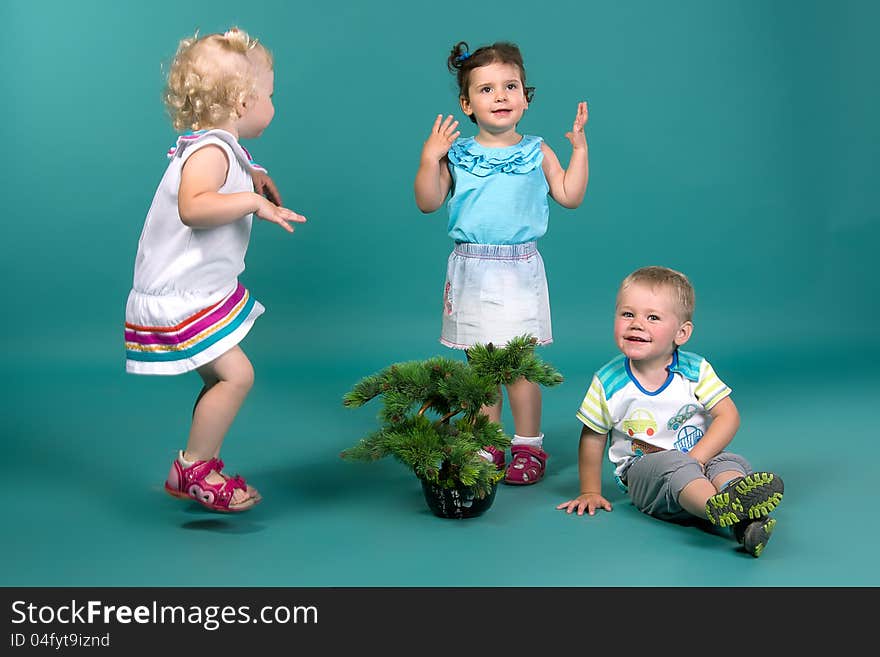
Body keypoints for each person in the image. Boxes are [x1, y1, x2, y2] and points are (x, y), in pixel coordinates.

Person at [123, 27, 306, 513]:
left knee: (220, 378)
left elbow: (223, 171)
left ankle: (199, 462)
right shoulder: (210, 151)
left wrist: (254, 176)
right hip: (181, 294)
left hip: (195, 289)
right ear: (243, 101)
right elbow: (194, 205)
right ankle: (194, 468)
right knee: (236, 376)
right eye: (269, 94)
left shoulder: (217, 146)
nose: (272, 103)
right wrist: (251, 201)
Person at [413, 40, 588, 485]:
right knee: (481, 366)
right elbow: (428, 202)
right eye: (487, 89)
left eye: (510, 86)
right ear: (466, 103)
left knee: (517, 365)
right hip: (471, 268)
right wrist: (429, 158)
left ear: (526, 97)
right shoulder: (458, 155)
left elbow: (569, 195)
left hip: (517, 268)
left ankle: (528, 445)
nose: (501, 96)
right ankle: (486, 439)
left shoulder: (537, 150)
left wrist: (579, 150)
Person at [557, 266, 784, 557]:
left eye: (652, 317)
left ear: (682, 333)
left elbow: (729, 416)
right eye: (628, 314)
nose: (637, 324)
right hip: (645, 471)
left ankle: (744, 517)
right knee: (674, 467)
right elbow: (592, 436)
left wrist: (698, 458)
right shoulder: (609, 381)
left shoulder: (695, 370)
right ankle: (718, 506)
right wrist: (590, 490)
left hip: (697, 458)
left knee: (728, 459)